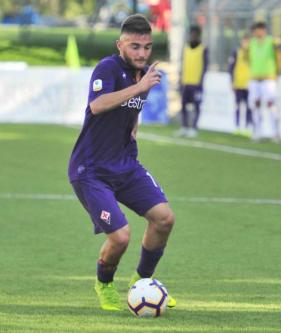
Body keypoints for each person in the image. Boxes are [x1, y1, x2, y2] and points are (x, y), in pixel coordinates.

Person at [68, 14, 176, 311]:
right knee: (120, 237)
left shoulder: (142, 73)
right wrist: (140, 90)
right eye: (134, 46)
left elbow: (131, 109)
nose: (141, 53)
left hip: (125, 164)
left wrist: (133, 126)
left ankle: (141, 284)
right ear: (120, 45)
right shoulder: (108, 67)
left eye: (146, 47)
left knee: (164, 219)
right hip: (91, 170)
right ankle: (103, 284)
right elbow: (97, 105)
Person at [247, 21, 281, 141]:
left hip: (268, 78)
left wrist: (278, 71)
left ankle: (275, 132)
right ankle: (257, 130)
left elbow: (280, 51)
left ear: (263, 30)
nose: (256, 32)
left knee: (271, 104)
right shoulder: (251, 43)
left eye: (258, 30)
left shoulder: (271, 41)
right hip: (255, 78)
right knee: (255, 104)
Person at [179, 24, 208, 137]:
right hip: (186, 82)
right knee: (183, 105)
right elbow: (183, 64)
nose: (193, 36)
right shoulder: (186, 47)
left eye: (195, 33)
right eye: (191, 33)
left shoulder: (203, 49)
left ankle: (194, 128)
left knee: (196, 106)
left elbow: (205, 66)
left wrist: (201, 81)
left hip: (197, 83)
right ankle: (184, 127)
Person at [228, 33, 252, 136]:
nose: (245, 43)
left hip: (249, 84)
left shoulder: (253, 52)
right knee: (238, 106)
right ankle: (237, 126)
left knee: (249, 107)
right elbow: (231, 68)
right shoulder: (236, 52)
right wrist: (232, 81)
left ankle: (248, 127)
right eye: (244, 40)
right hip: (238, 83)